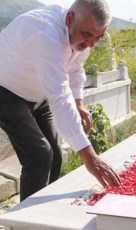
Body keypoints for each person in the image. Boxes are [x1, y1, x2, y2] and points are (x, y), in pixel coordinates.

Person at [0, 0, 122, 201]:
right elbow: (60, 96)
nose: (91, 43)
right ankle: (26, 222)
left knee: (56, 153)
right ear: (69, 18)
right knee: (39, 155)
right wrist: (89, 157)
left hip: (39, 94)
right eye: (87, 35)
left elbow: (74, 69)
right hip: (6, 92)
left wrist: (79, 102)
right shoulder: (45, 33)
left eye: (98, 37)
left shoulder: (82, 34)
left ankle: (44, 208)